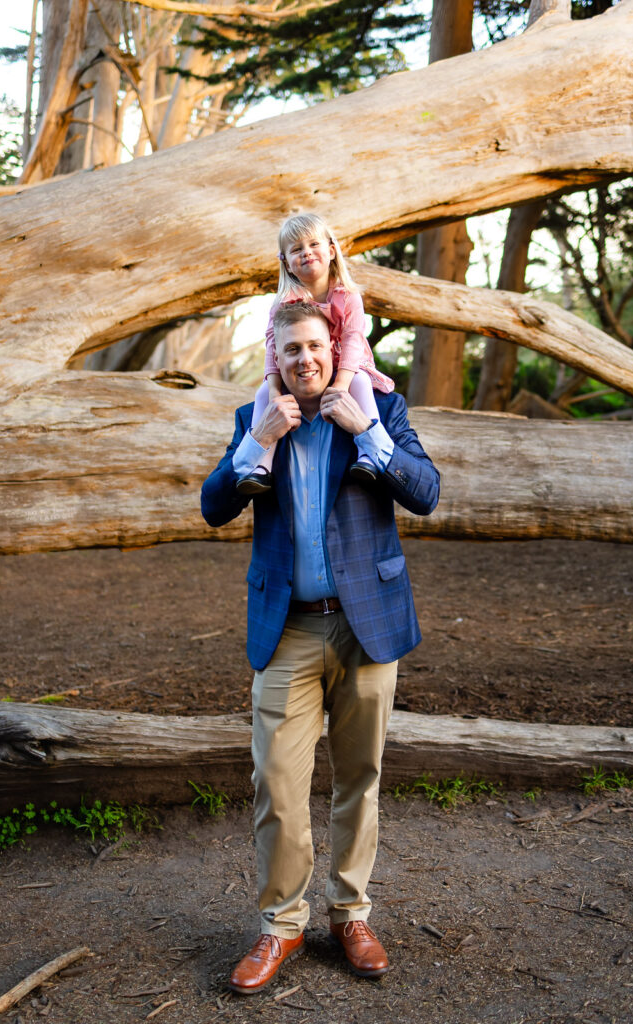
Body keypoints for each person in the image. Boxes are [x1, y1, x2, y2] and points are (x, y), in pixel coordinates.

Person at [200, 300, 440, 995]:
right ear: (274, 358)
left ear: (332, 346)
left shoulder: (377, 410)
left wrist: (365, 427)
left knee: (359, 777)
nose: (302, 359)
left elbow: (425, 492)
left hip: (368, 623)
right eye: (289, 350)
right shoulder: (256, 419)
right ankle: (280, 925)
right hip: (287, 630)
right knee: (275, 780)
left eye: (312, 345)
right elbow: (214, 504)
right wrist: (256, 443)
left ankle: (350, 914)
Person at [236, 213, 395, 496]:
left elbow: (354, 341)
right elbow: (273, 345)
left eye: (313, 244)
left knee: (360, 383)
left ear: (331, 251)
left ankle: (369, 452)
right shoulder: (283, 304)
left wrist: (341, 387)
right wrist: (274, 389)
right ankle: (261, 466)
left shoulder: (348, 296)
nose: (306, 253)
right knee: (261, 395)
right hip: (305, 371)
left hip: (348, 368)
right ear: (285, 260)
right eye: (296, 249)